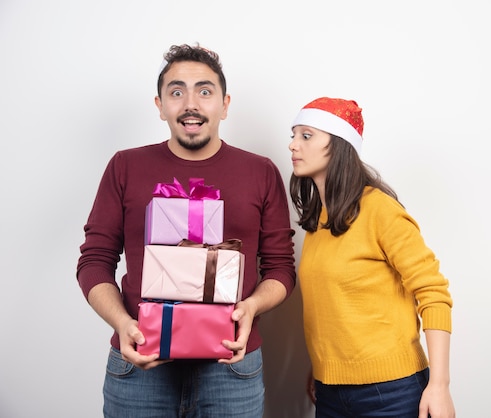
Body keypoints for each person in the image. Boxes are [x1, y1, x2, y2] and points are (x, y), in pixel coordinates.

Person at [76, 44, 296, 418]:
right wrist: (122, 323)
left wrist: (252, 307)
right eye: (176, 92)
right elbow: (94, 261)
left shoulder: (260, 171)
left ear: (225, 105)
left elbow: (281, 268)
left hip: (230, 366)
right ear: (160, 105)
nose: (190, 104)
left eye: (204, 91)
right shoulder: (125, 166)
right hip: (140, 361)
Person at [288, 97, 456, 418]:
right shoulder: (318, 220)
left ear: (337, 146)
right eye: (294, 134)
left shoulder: (380, 211)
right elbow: (333, 307)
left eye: (306, 135)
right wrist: (328, 369)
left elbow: (433, 294)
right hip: (329, 392)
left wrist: (439, 385)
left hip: (391, 393)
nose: (293, 145)